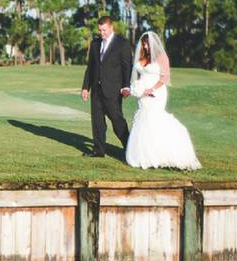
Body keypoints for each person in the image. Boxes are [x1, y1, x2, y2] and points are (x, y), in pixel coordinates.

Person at [124, 32, 202, 170]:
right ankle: (144, 155)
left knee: (155, 119)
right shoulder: (141, 58)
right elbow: (136, 77)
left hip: (156, 93)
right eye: (143, 44)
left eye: (147, 44)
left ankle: (165, 152)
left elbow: (165, 78)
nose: (145, 47)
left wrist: (151, 89)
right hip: (143, 94)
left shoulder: (161, 57)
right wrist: (136, 89)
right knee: (143, 119)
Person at [81, 16, 133, 158]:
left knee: (118, 122)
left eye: (103, 30)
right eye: (99, 30)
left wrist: (126, 86)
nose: (101, 33)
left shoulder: (122, 44)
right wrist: (85, 87)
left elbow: (127, 67)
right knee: (97, 123)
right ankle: (99, 151)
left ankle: (131, 149)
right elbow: (90, 67)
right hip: (96, 91)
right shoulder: (95, 44)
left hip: (113, 91)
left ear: (111, 28)